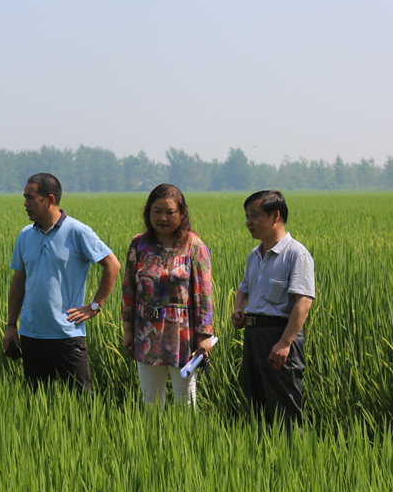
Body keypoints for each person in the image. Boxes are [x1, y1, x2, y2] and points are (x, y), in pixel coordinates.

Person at [3, 173, 120, 394]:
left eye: (30, 198)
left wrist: (95, 306)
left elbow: (112, 265)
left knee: (82, 403)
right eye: (25, 197)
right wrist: (11, 326)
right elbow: (18, 281)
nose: (25, 204)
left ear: (49, 199)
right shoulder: (25, 235)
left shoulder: (78, 232)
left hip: (67, 334)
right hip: (31, 334)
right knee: (37, 403)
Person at [121, 184, 214, 407]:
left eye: (170, 212)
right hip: (146, 332)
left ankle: (187, 433)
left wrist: (204, 335)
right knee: (150, 401)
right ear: (148, 212)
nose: (163, 217)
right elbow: (128, 290)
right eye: (157, 211)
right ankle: (154, 432)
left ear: (181, 214)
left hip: (182, 333)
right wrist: (128, 330)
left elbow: (203, 294)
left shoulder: (194, 246)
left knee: (186, 400)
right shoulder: (139, 244)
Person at [231, 190, 315, 432]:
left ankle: (294, 453)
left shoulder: (296, 254)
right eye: (247, 216)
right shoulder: (254, 255)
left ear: (275, 216)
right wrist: (239, 310)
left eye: (254, 215)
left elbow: (303, 301)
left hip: (279, 336)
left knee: (284, 407)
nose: (249, 222)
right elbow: (244, 289)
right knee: (257, 405)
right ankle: (263, 453)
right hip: (253, 336)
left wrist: (285, 343)